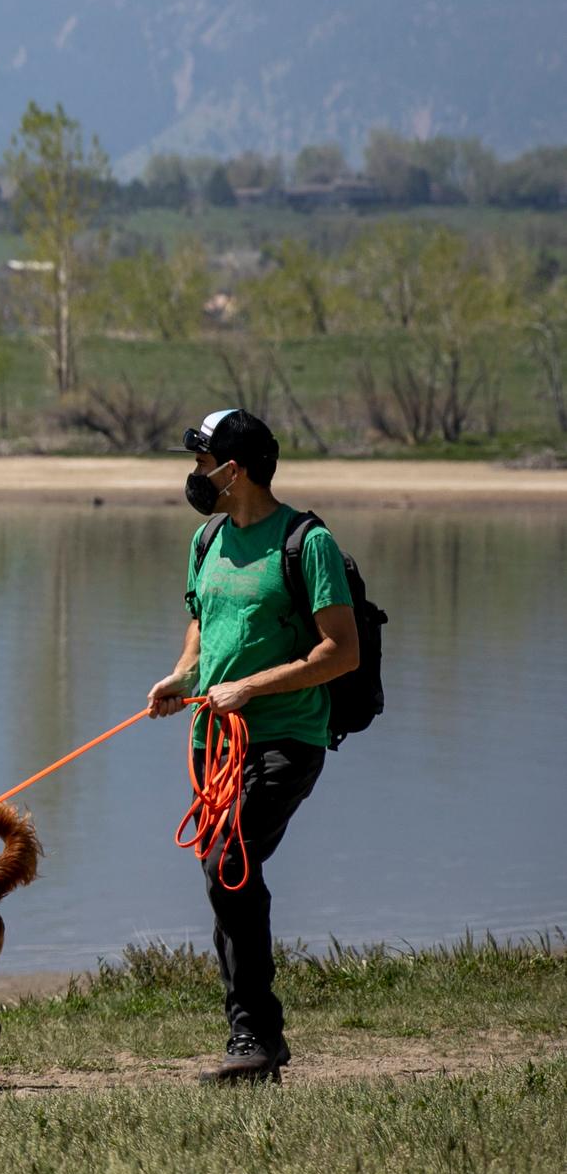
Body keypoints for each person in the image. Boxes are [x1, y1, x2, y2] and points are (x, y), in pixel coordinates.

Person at [146, 408, 360, 1084]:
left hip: (285, 737)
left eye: (203, 460)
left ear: (233, 470)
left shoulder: (306, 542)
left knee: (226, 864)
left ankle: (254, 1038)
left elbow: (341, 652)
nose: (195, 474)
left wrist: (249, 689)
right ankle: (256, 1038)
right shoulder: (208, 537)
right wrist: (183, 676)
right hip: (214, 740)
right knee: (225, 876)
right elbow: (201, 622)